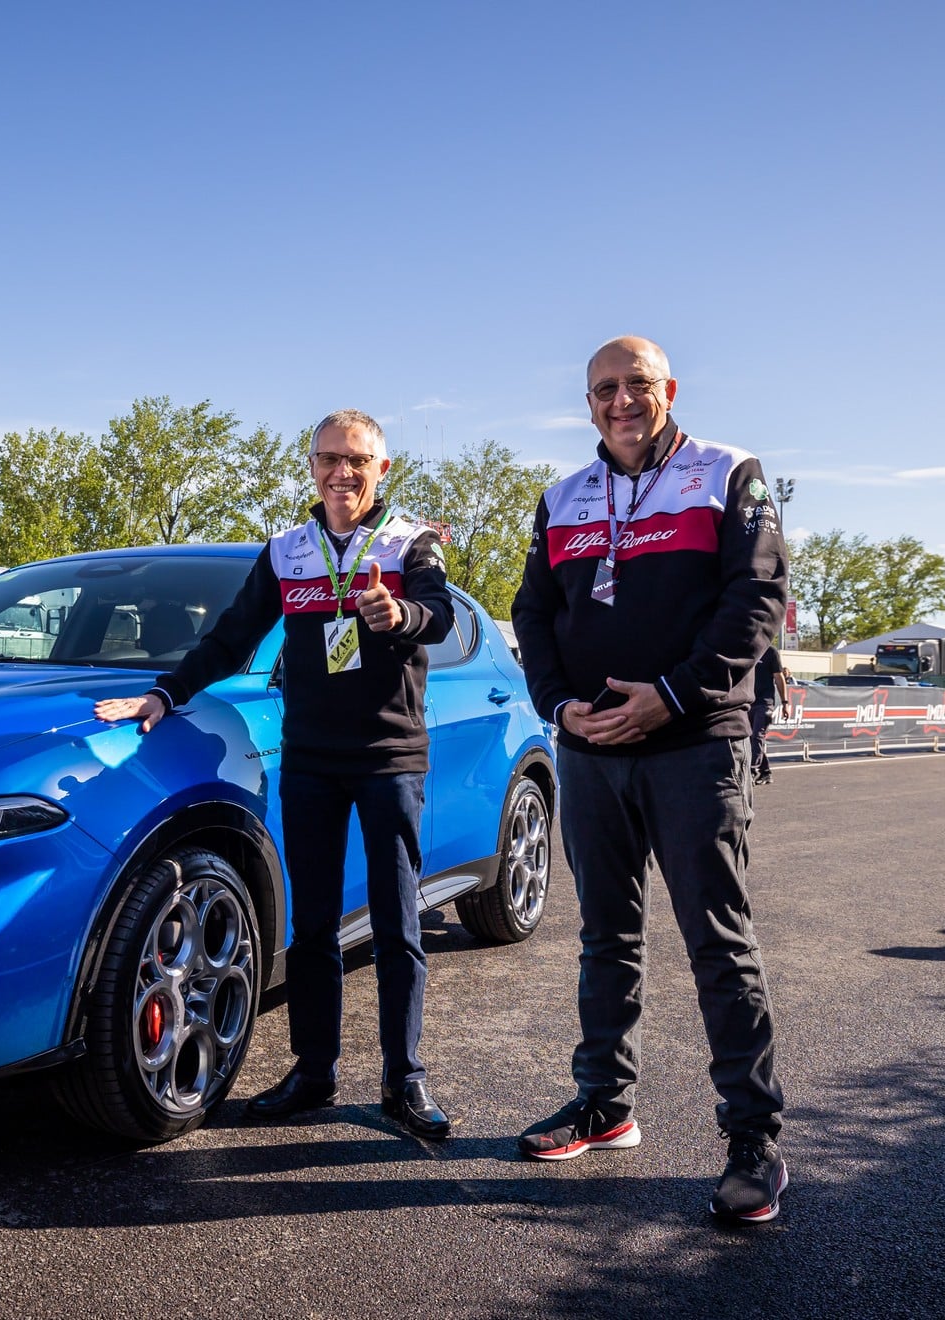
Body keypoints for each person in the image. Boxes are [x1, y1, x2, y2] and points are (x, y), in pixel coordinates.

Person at [94, 409, 457, 1138]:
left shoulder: (410, 542)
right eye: (328, 459)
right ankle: (314, 1072)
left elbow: (440, 613)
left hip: (388, 756)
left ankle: (404, 1082)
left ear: (381, 470)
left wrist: (401, 615)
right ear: (313, 466)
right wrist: (164, 694)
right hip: (312, 758)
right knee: (314, 923)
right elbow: (231, 638)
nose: (341, 473)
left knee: (396, 923)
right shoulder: (287, 551)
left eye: (356, 461)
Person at [510, 336, 791, 1223]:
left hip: (694, 743)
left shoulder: (728, 471)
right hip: (593, 748)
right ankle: (605, 1104)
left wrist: (669, 697)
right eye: (603, 390)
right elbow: (534, 613)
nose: (620, 401)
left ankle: (754, 1141)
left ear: (668, 389)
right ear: (587, 403)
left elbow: (754, 601)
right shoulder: (562, 497)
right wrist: (560, 708)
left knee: (718, 943)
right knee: (604, 938)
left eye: (636, 385)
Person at [749, 647, 788, 784]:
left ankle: (752, 770)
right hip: (747, 702)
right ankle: (765, 772)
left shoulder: (771, 652)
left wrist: (785, 702)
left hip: (764, 703)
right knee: (749, 739)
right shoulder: (746, 649)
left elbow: (779, 677)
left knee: (757, 736)